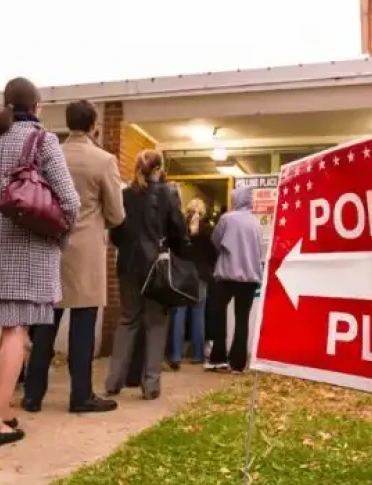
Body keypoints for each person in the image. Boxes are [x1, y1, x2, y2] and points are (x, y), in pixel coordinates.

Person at [0, 77, 80, 448]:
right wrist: (54, 236)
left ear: (6, 103)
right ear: (37, 107)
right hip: (32, 252)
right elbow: (71, 203)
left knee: (11, 331)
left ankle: (3, 408)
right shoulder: (45, 141)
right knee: (16, 333)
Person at [22, 100, 124, 414]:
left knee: (44, 327)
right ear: (95, 124)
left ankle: (32, 395)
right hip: (86, 252)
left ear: (68, 122)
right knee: (83, 326)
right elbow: (117, 214)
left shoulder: (48, 156)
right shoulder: (104, 160)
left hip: (51, 247)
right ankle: (80, 395)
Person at [104, 150, 188, 399]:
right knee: (156, 324)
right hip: (157, 267)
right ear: (159, 169)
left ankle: (113, 381)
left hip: (128, 265)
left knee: (127, 320)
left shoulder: (125, 195)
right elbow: (179, 232)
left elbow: (116, 234)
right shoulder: (168, 194)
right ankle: (150, 385)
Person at [206, 186, 262, 373]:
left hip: (227, 275)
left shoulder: (227, 219)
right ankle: (238, 363)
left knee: (218, 314)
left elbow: (215, 240)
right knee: (242, 318)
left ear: (236, 199)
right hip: (249, 277)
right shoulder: (256, 223)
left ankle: (218, 358)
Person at [169, 198, 215, 369]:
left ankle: (175, 355)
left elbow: (174, 249)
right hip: (201, 276)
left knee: (179, 313)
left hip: (181, 275)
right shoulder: (208, 230)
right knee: (198, 314)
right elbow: (213, 254)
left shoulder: (180, 229)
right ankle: (197, 355)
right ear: (203, 212)